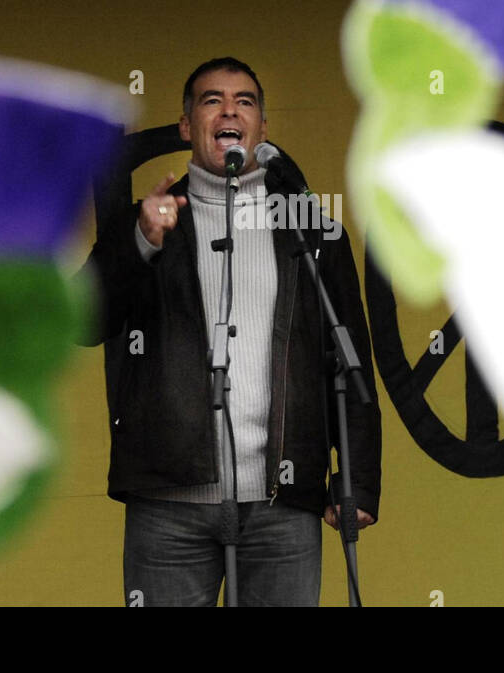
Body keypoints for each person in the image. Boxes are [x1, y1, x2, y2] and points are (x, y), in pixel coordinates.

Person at [76, 56, 381, 606]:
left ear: (262, 129)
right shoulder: (147, 223)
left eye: (245, 101)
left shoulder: (311, 231)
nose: (229, 110)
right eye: (211, 100)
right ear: (187, 127)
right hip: (169, 501)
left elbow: (349, 357)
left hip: (282, 503)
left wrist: (356, 480)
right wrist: (144, 241)